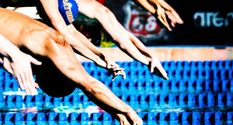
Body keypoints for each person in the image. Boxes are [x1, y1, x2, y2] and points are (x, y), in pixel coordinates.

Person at [0, 8, 150, 125]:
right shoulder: (54, 47)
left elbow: (86, 84)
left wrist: (117, 114)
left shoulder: (52, 43)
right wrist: (128, 110)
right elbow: (91, 87)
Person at [39, 0, 168, 80]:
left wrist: (150, 58)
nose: (88, 39)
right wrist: (147, 60)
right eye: (91, 38)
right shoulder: (98, 12)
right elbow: (122, 41)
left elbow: (126, 36)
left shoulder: (99, 12)